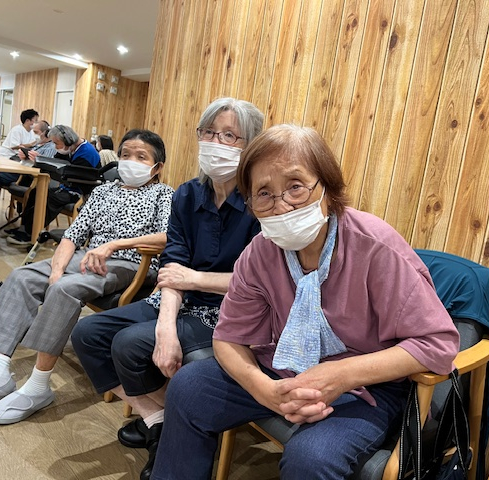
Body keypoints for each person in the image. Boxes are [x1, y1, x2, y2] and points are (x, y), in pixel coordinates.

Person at [150, 125, 461, 479]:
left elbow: (438, 343)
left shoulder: (375, 247)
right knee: (188, 388)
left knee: (310, 458)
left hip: (367, 386)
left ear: (327, 186)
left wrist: (340, 374)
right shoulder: (259, 253)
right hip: (283, 371)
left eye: (295, 186)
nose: (281, 205)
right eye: (263, 193)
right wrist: (265, 390)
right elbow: (228, 339)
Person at [71, 97, 264, 480]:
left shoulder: (260, 202)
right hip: (178, 298)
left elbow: (259, 283)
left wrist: (192, 281)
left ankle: (173, 433)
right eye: (208, 132)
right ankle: (160, 421)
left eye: (229, 135)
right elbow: (174, 264)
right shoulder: (188, 195)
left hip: (229, 311)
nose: (215, 142)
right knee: (88, 334)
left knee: (129, 344)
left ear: (251, 145)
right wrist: (165, 326)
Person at [0, 129, 174, 425]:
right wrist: (55, 271)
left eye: (141, 157)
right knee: (22, 277)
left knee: (65, 289)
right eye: (126, 155)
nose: (131, 161)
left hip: (131, 263)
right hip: (88, 257)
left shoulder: (164, 194)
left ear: (157, 167)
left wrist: (114, 245)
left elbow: (168, 237)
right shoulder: (104, 191)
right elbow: (72, 235)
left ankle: (38, 386)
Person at [7, 124, 101, 246]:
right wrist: (39, 159)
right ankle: (24, 228)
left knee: (51, 198)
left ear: (67, 141)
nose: (55, 147)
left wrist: (43, 161)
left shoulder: (87, 153)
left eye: (57, 143)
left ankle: (30, 233)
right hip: (68, 187)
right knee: (36, 192)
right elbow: (56, 163)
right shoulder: (69, 148)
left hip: (81, 192)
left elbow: (71, 174)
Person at [0, 120, 58, 190]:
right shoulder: (37, 145)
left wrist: (38, 159)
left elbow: (46, 168)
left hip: (29, 176)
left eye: (36, 132)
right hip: (21, 171)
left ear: (46, 133)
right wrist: (24, 157)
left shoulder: (51, 147)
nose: (34, 135)